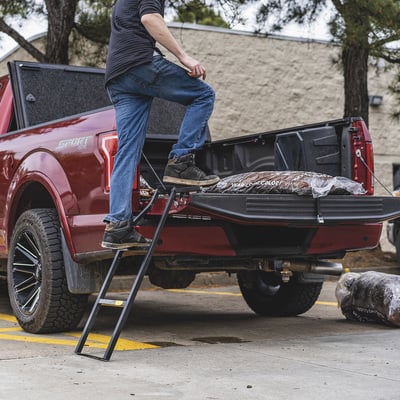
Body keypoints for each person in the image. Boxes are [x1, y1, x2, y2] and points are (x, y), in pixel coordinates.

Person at [101, 0, 220, 250]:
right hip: (139, 63)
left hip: (117, 77)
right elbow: (149, 19)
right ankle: (181, 163)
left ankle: (118, 227)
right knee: (203, 95)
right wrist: (183, 57)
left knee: (127, 152)